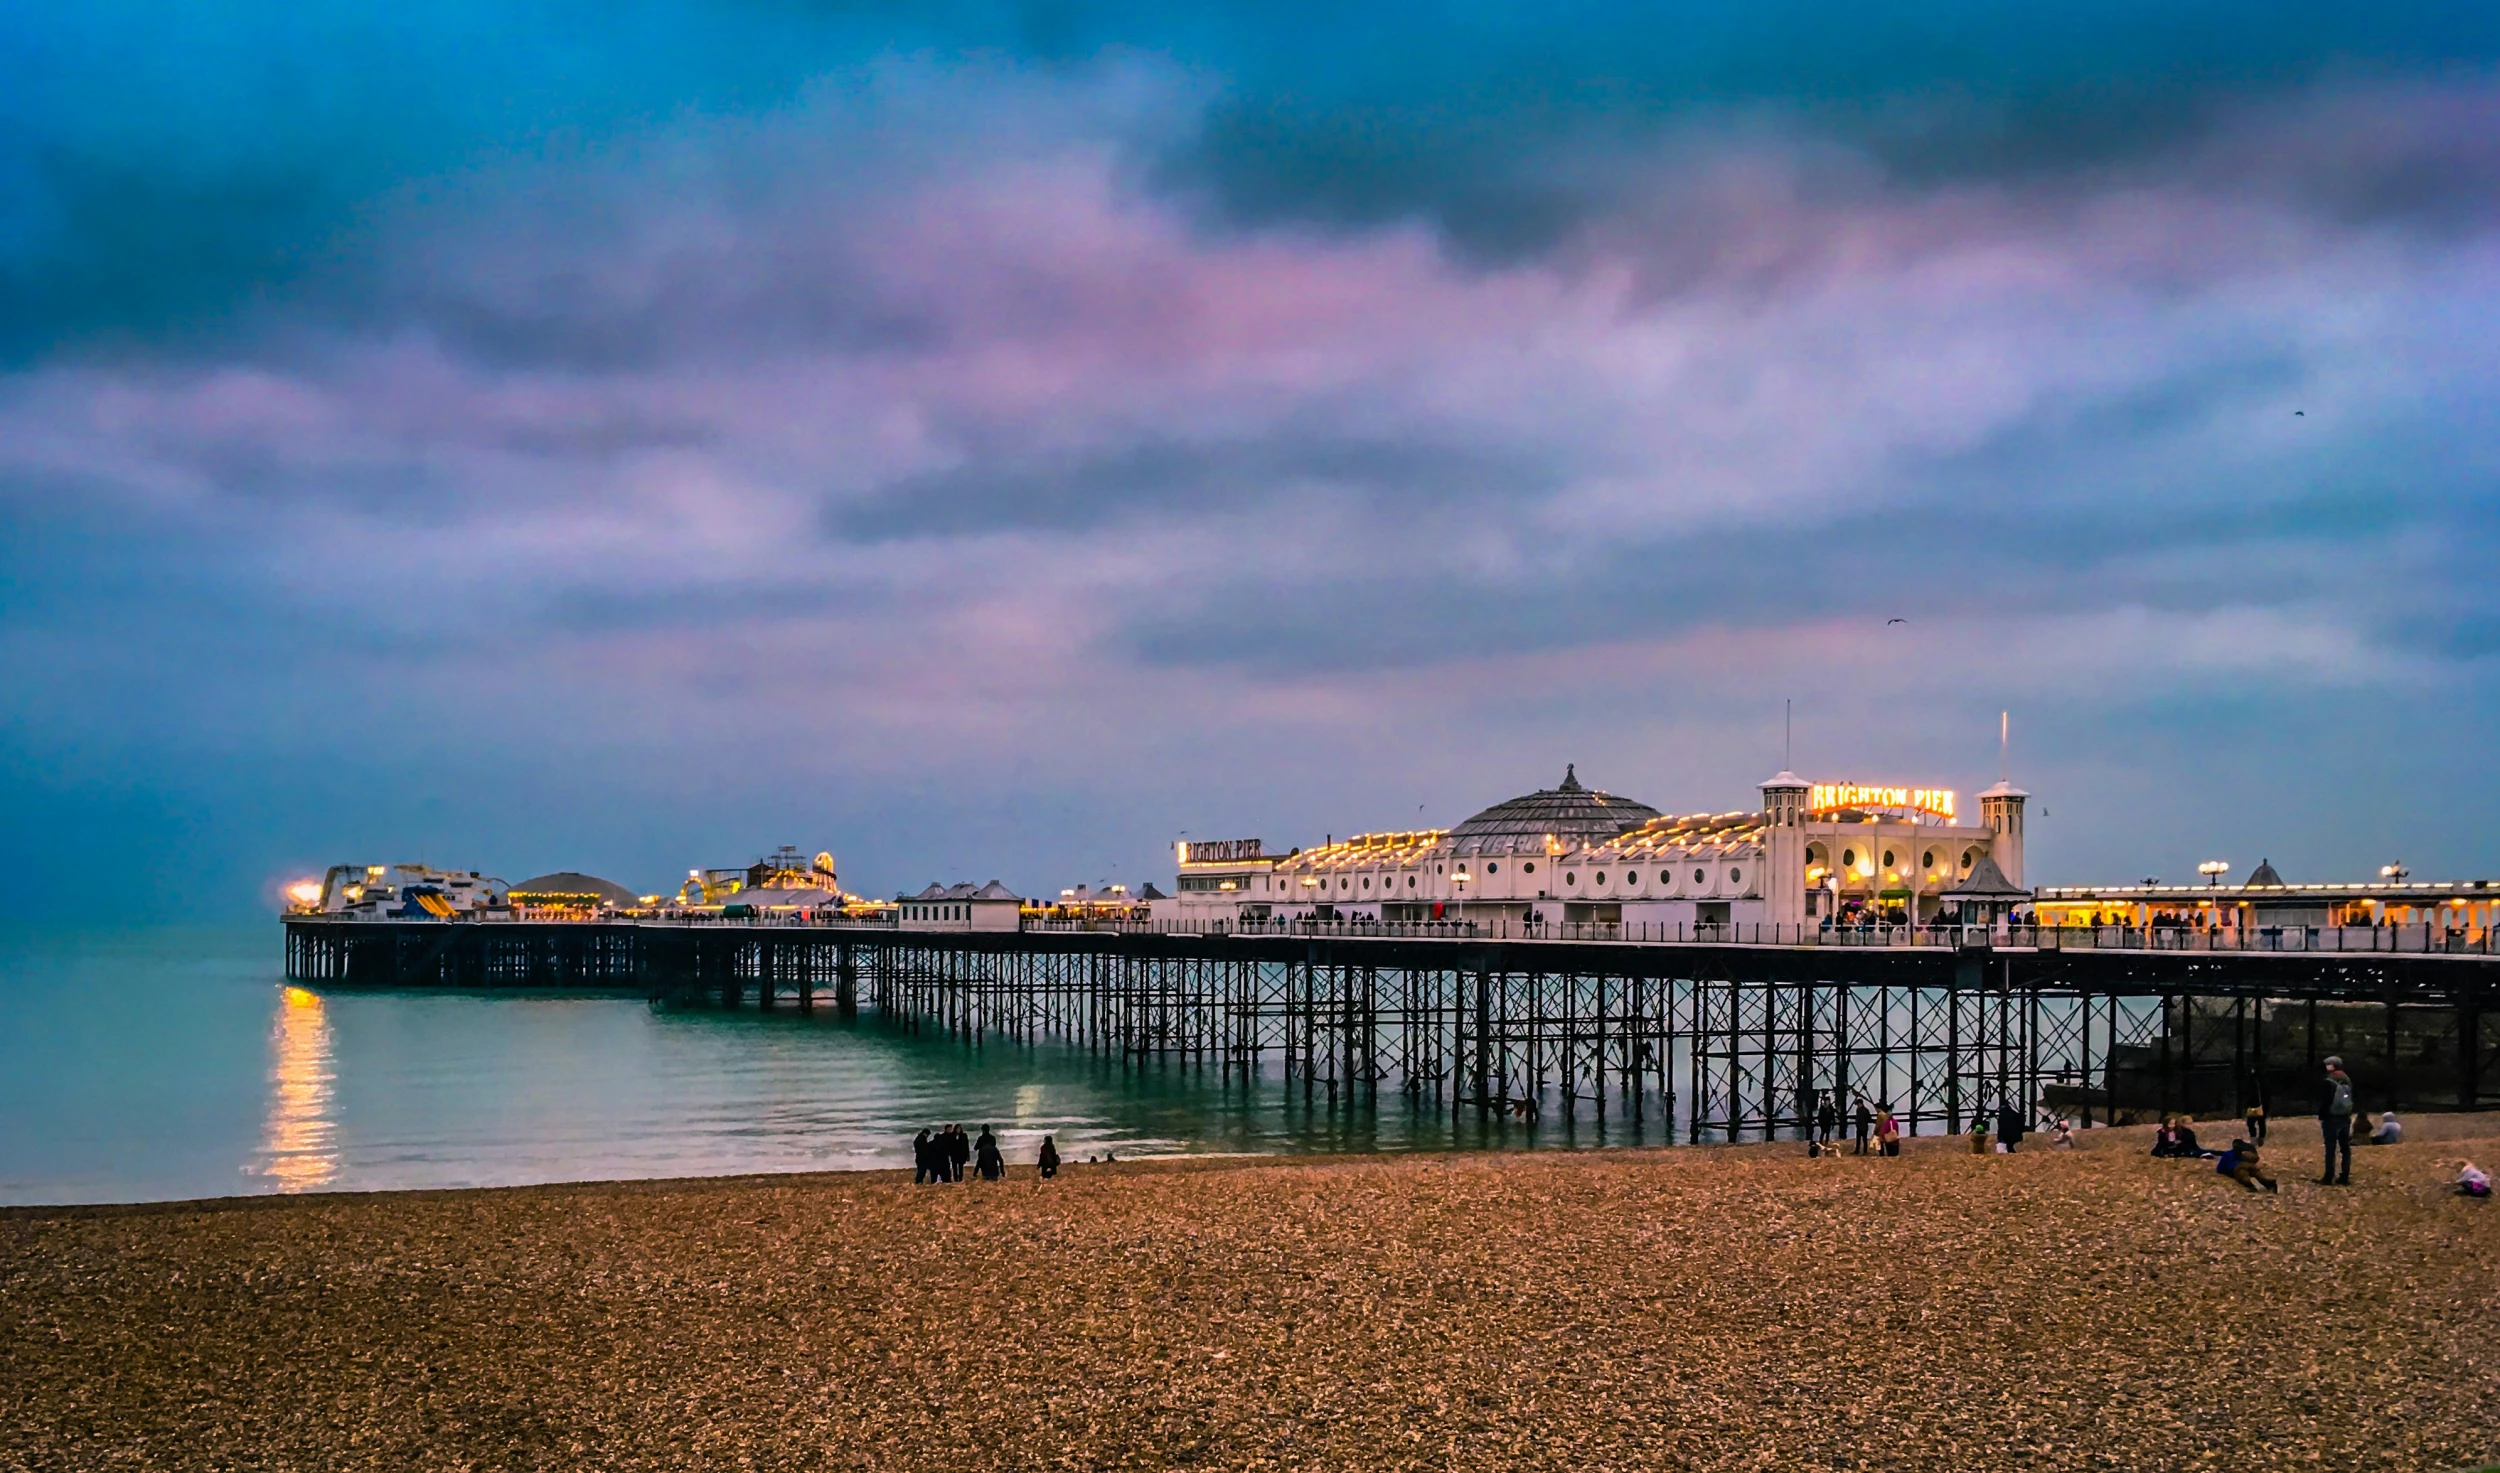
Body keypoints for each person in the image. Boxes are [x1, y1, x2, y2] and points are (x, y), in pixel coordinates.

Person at [2317, 1056, 2355, 1186]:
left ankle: (2328, 1176)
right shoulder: (2347, 1079)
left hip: (2331, 1117)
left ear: (2332, 1066)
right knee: (2345, 1148)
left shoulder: (2329, 1080)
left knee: (2330, 1148)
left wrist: (2322, 1115)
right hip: (2345, 1116)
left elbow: (2325, 1101)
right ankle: (2344, 1176)